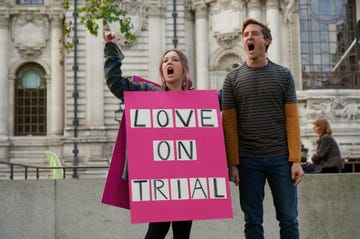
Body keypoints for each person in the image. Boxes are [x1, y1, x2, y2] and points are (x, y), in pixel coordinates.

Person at [103, 31, 193, 239]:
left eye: (174, 59)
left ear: (184, 68)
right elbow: (116, 84)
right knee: (157, 231)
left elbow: (224, 100)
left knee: (182, 234)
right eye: (165, 61)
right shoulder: (147, 93)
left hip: (186, 178)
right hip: (159, 178)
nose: (168, 63)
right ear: (162, 70)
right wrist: (111, 49)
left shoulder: (197, 102)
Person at [221, 18, 304, 239]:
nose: (248, 37)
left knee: (288, 220)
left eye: (254, 34)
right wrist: (233, 164)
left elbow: (292, 119)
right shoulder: (231, 79)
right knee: (252, 222)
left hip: (281, 160)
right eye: (245, 34)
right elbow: (229, 124)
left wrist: (296, 159)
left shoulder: (284, 75)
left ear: (266, 40)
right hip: (248, 162)